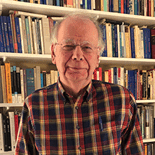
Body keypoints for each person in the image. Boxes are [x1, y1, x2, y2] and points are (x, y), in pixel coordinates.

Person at [15, 13, 144, 155]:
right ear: (53, 53)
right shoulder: (34, 105)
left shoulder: (123, 101)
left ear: (97, 57)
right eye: (68, 46)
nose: (77, 55)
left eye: (87, 47)